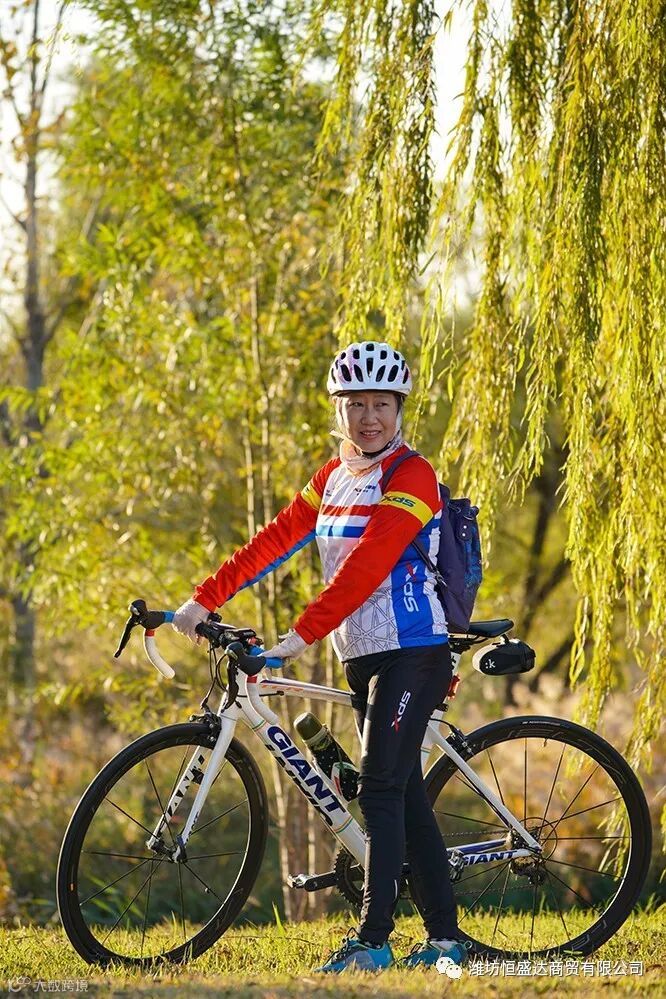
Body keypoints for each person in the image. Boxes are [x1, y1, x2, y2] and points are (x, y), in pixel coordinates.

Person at [172, 340, 466, 973]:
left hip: (414, 651)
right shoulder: (333, 478)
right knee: (403, 795)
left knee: (380, 789)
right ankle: (446, 941)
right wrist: (203, 599)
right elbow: (272, 541)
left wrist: (294, 640)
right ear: (339, 411)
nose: (369, 417)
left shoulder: (413, 476)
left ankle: (374, 940)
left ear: (400, 409)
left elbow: (367, 567)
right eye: (356, 404)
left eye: (381, 404)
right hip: (360, 655)